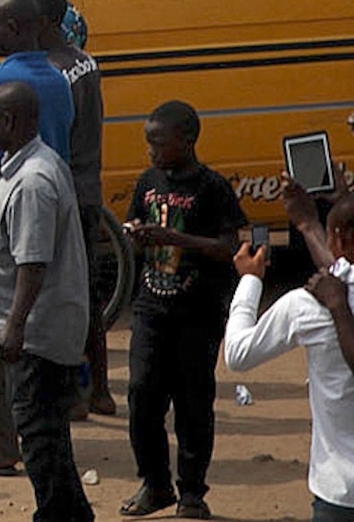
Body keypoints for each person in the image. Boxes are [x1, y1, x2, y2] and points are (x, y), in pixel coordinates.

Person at [0, 81, 92, 522]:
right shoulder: (19, 167)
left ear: (8, 121)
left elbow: (32, 262)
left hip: (38, 334)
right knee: (46, 435)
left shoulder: (33, 181)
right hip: (35, 330)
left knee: (40, 436)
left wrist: (15, 326)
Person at [119, 101, 244, 520]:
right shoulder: (148, 181)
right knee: (142, 395)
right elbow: (135, 228)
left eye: (159, 143)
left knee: (193, 402)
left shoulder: (212, 188)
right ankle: (155, 484)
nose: (152, 152)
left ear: (187, 142)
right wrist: (137, 235)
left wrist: (177, 239)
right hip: (151, 307)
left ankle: (192, 492)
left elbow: (229, 247)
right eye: (148, 143)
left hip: (198, 311)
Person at [220, 195, 354, 522]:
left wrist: (250, 279)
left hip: (340, 490)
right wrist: (309, 225)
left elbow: (237, 354)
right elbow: (339, 266)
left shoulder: (308, 305)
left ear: (340, 238)